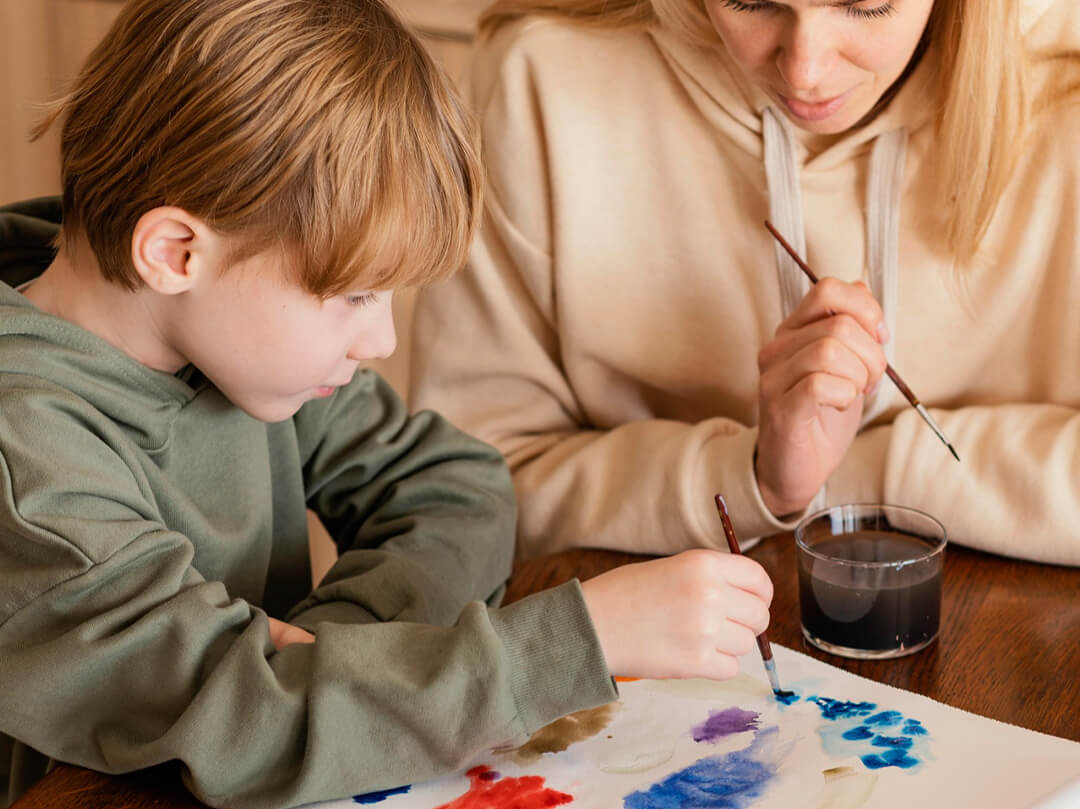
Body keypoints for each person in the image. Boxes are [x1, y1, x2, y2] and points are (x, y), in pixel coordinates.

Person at [0, 0, 775, 809]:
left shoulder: (223, 339)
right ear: (176, 253)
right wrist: (575, 642)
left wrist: (338, 664)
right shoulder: (29, 464)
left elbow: (458, 490)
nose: (382, 341)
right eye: (356, 294)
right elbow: (249, 725)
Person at [410, 0, 1080, 565]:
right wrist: (752, 475)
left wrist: (827, 476)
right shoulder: (540, 80)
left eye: (865, 2)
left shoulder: (1065, 91)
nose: (807, 70)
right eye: (752, 0)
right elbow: (461, 496)